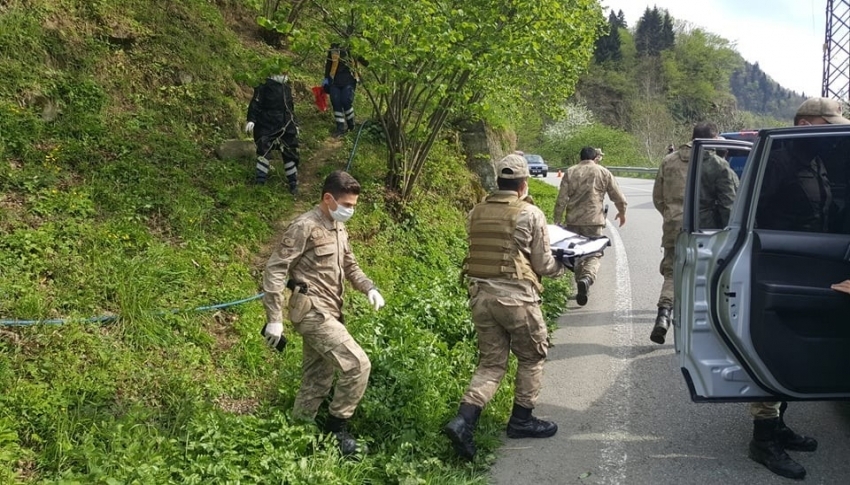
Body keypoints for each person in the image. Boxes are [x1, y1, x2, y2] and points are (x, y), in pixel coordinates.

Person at [746, 97, 849, 480]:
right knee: (772, 350)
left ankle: (779, 425)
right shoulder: (779, 159)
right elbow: (753, 217)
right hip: (775, 265)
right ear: (806, 125)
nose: (833, 135)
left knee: (794, 350)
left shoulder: (812, 160)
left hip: (810, 264)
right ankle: (763, 438)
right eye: (829, 125)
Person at [443, 154, 568, 461]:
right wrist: (562, 265)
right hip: (517, 300)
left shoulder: (476, 211)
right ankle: (522, 420)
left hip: (481, 298)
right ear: (524, 184)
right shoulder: (530, 213)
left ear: (497, 181)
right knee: (532, 355)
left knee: (491, 364)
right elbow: (542, 263)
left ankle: (464, 420)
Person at [260, 170, 386, 456]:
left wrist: (369, 288)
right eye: (347, 205)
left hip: (332, 310)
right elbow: (276, 268)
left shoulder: (338, 227)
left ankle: (296, 434)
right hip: (312, 311)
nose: (351, 210)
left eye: (353, 205)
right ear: (328, 199)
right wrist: (274, 319)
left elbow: (350, 264)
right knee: (357, 365)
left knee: (317, 377)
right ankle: (336, 431)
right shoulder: (305, 226)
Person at [650, 122, 738, 345]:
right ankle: (701, 327)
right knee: (705, 276)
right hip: (704, 229)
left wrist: (672, 215)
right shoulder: (717, 164)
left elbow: (658, 197)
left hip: (673, 224)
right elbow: (728, 204)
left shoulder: (668, 161)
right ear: (713, 138)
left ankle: (663, 314)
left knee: (671, 273)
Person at [552, 146, 627, 306]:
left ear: (580, 158)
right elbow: (617, 195)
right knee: (594, 253)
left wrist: (557, 220)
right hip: (594, 220)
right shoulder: (603, 172)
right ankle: (587, 278)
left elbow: (562, 199)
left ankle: (581, 281)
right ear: (594, 158)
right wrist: (622, 211)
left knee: (577, 252)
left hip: (573, 220)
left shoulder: (571, 172)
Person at [245, 73, 300, 194]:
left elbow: (290, 108)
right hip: (266, 122)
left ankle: (293, 182)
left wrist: (294, 123)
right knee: (263, 148)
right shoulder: (263, 86)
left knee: (289, 150)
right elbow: (256, 103)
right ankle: (260, 180)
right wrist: (251, 119)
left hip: (285, 122)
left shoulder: (287, 88)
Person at [323, 43, 366, 137]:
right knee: (336, 102)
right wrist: (326, 79)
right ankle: (340, 128)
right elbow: (329, 64)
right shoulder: (333, 48)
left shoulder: (352, 46)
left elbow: (363, 60)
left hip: (349, 80)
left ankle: (351, 124)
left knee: (346, 101)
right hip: (334, 80)